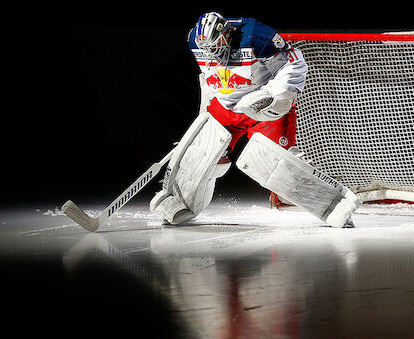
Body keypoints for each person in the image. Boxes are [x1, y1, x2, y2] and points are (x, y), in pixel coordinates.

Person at [150, 12, 360, 227]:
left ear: (227, 32)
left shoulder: (256, 36)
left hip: (261, 107)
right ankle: (178, 202)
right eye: (208, 49)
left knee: (276, 165)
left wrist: (275, 96)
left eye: (217, 45)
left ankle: (336, 206)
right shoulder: (196, 39)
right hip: (224, 109)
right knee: (201, 157)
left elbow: (293, 63)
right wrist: (204, 117)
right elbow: (209, 78)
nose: (213, 53)